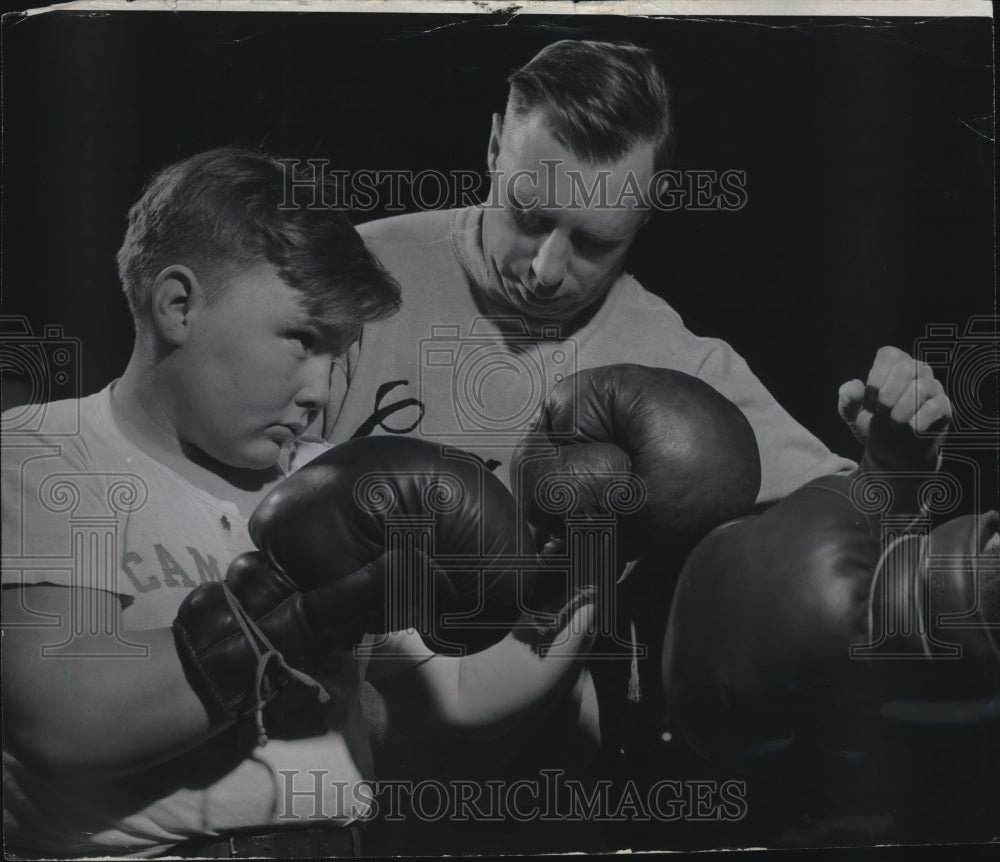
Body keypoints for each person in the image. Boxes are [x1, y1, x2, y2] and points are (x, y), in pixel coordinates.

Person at [320, 38, 952, 850]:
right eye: (530, 215)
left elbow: (849, 562)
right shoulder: (353, 276)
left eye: (592, 242)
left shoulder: (677, 362)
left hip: (525, 806)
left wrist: (899, 462)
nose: (546, 270)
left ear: (645, 215)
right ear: (490, 147)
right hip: (314, 784)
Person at [0, 147, 403, 858]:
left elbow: (463, 696)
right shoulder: (50, 449)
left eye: (337, 355)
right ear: (178, 306)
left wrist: (574, 549)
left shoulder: (322, 482)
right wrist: (292, 616)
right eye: (302, 340)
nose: (322, 390)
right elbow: (63, 718)